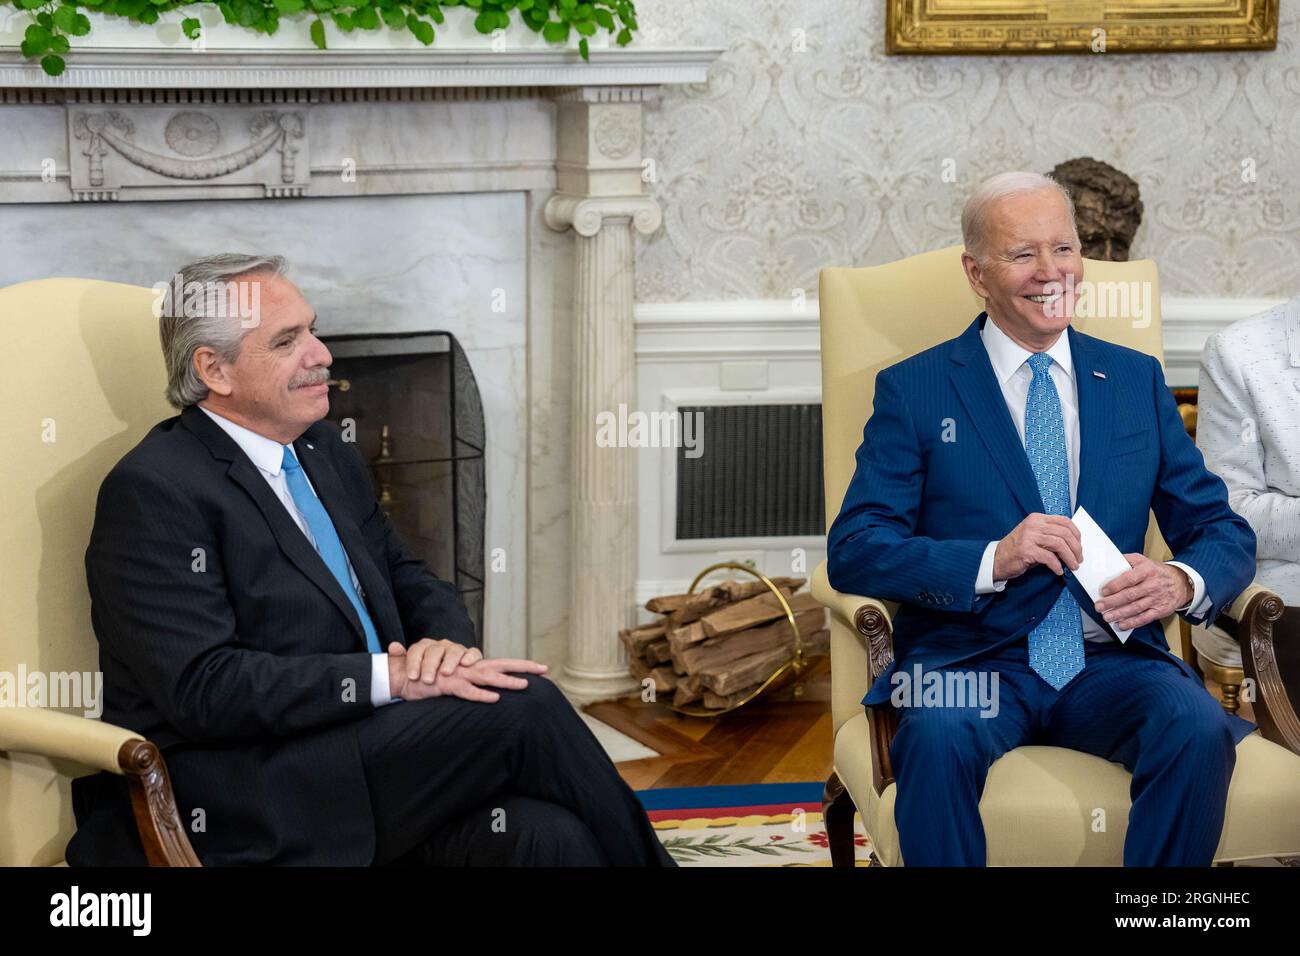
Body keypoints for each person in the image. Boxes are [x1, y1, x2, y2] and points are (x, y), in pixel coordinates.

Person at [67, 253, 673, 867]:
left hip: (360, 755)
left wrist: (442, 649)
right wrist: (393, 677)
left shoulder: (320, 449)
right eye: (287, 340)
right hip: (248, 789)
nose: (322, 353)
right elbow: (205, 690)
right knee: (526, 706)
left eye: (312, 328)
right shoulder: (155, 491)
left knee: (547, 835)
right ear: (214, 369)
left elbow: (409, 576)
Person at [827, 172, 1257, 866]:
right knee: (936, 738)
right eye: (1024, 254)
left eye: (1065, 249)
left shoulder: (1135, 380)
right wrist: (990, 559)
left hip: (1110, 662)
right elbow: (856, 549)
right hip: (970, 661)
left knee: (1197, 726)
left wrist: (1180, 582)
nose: (1052, 272)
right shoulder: (916, 389)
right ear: (977, 272)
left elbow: (1222, 530)